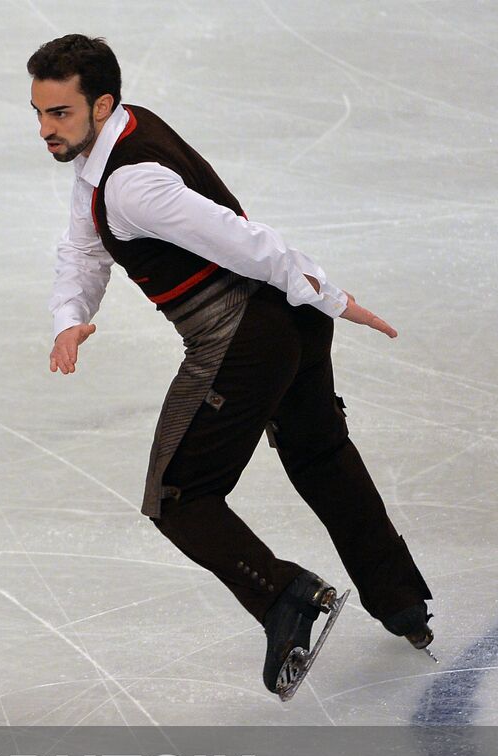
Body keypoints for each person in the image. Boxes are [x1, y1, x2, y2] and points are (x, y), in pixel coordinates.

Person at [26, 35, 434, 698]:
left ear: (100, 105)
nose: (45, 129)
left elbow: (245, 242)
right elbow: (84, 246)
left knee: (178, 497)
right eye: (40, 113)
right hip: (287, 323)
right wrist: (69, 316)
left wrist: (332, 294)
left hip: (243, 332)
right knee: (320, 453)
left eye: (60, 114)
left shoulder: (133, 184)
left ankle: (284, 597)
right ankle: (403, 604)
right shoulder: (120, 137)